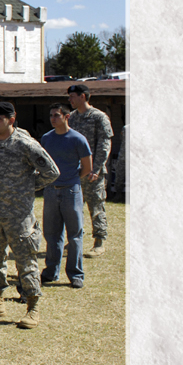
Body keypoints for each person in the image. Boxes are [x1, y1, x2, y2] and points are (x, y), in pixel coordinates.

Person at [0, 102, 61, 329]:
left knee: (25, 262)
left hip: (19, 216)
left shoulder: (25, 145)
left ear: (11, 120)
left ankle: (32, 308)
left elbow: (51, 172)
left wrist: (27, 187)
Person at [40, 103, 93, 289]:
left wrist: (71, 179)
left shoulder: (78, 139)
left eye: (56, 115)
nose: (53, 118)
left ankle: (76, 274)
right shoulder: (46, 139)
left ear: (66, 116)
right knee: (52, 234)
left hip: (71, 191)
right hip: (51, 191)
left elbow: (87, 167)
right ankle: (50, 271)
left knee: (75, 234)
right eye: (51, 115)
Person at [66, 84, 114, 257]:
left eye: (72, 96)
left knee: (96, 206)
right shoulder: (70, 118)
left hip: (93, 172)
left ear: (83, 97)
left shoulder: (99, 117)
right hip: (74, 171)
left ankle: (99, 242)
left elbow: (104, 145)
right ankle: (75, 240)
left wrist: (96, 168)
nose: (69, 100)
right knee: (73, 208)